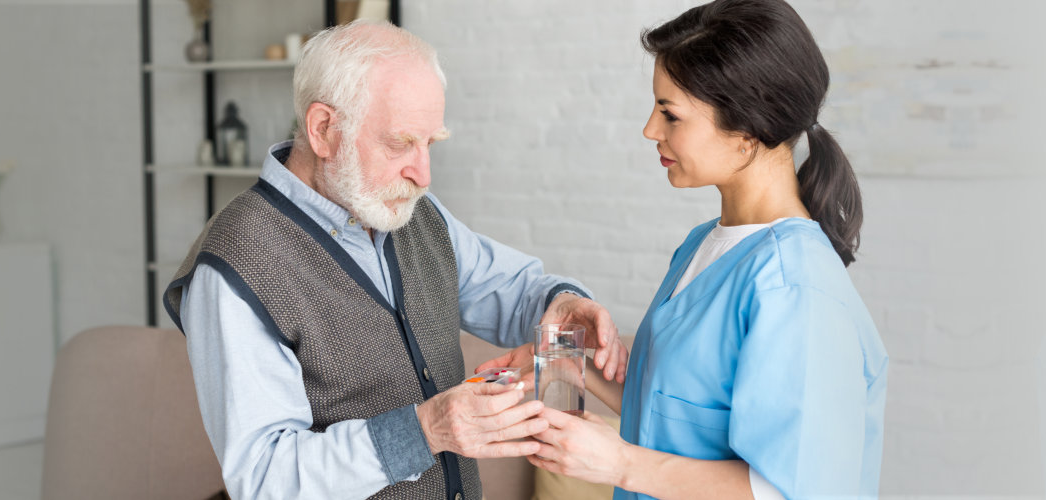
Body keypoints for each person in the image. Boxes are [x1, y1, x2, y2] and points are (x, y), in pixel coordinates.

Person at [163, 21, 630, 500]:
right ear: (323, 130)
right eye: (400, 143)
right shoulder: (235, 266)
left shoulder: (406, 209)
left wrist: (563, 301)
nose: (423, 174)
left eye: (431, 143)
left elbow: (510, 290)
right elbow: (265, 479)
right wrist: (428, 429)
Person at [508, 1, 890, 498]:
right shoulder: (702, 245)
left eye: (670, 114)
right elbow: (677, 421)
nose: (650, 129)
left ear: (748, 132)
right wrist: (565, 362)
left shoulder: (795, 286)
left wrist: (620, 463)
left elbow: (788, 489)